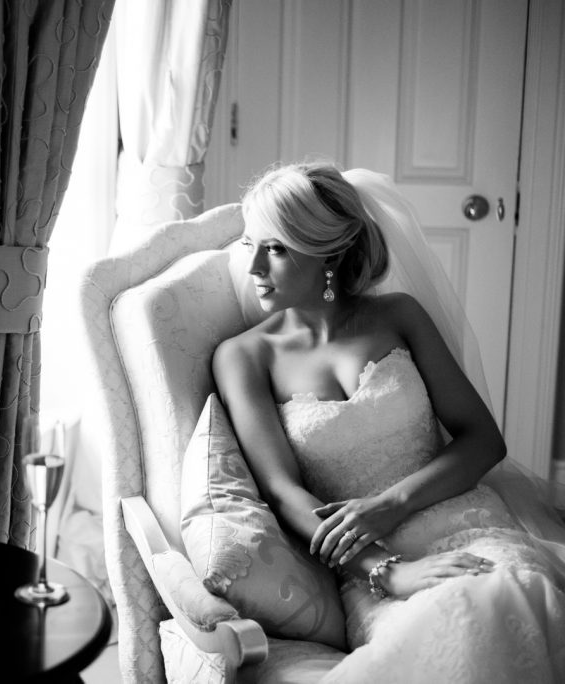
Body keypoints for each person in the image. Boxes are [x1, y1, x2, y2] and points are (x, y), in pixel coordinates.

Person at [214, 161, 565, 681]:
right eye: (251, 245)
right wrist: (387, 571)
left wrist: (388, 505)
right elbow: (283, 492)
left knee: (507, 593)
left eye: (277, 249)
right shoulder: (244, 356)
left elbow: (483, 439)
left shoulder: (399, 316)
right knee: (453, 624)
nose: (254, 268)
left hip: (468, 523)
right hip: (368, 562)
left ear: (329, 252)